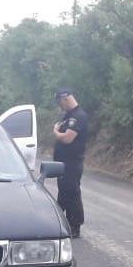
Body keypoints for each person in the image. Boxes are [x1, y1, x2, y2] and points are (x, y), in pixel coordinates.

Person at [52, 87, 88, 238]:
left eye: (60, 103)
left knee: (72, 193)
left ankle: (75, 226)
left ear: (66, 99)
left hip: (72, 163)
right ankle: (60, 223)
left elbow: (67, 138)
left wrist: (55, 131)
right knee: (63, 193)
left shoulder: (79, 116)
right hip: (63, 162)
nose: (60, 106)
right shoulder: (68, 115)